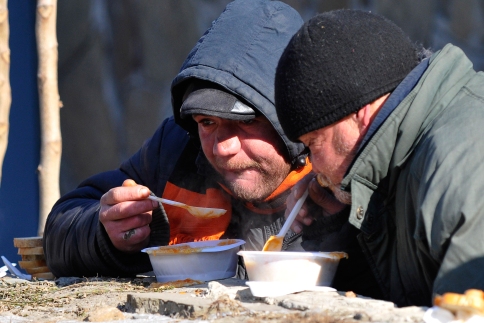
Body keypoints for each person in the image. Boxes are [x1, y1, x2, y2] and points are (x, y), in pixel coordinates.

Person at [43, 0, 312, 278]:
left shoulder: (335, 173)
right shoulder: (176, 150)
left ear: (290, 119)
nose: (222, 147)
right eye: (207, 122)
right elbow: (60, 230)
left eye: (245, 122)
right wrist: (104, 232)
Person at [274, 9, 484, 307]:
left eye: (312, 145)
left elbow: (463, 314)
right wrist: (345, 224)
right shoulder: (404, 156)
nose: (313, 166)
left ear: (359, 112)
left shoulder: (459, 172)